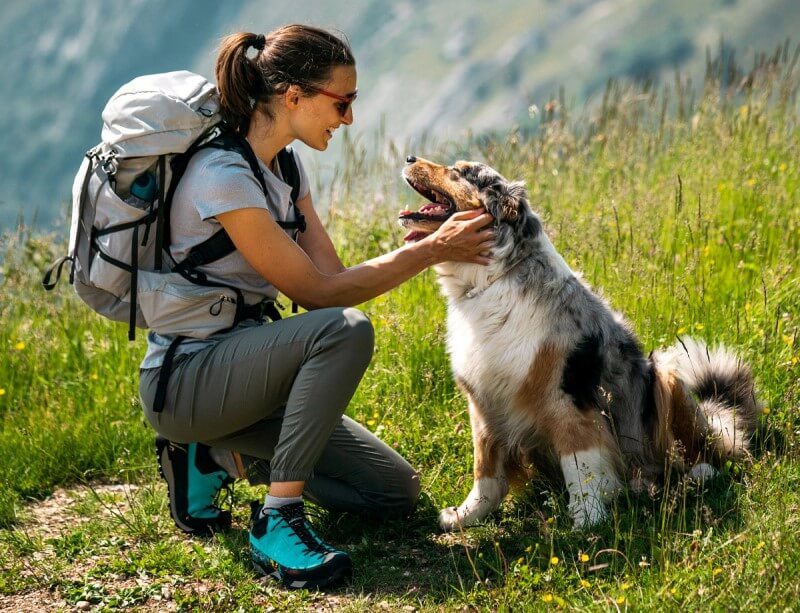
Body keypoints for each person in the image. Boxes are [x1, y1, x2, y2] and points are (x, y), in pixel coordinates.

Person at [138, 24, 494, 590]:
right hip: (188, 380)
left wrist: (430, 245)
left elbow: (329, 275)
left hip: (251, 374)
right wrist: (434, 250)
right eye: (342, 102)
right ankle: (277, 518)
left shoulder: (285, 168)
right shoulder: (222, 176)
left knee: (393, 491)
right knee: (344, 330)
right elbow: (320, 297)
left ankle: (213, 457)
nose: (348, 119)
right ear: (293, 96)